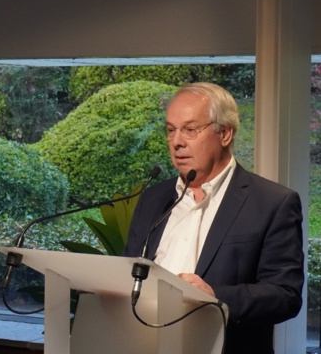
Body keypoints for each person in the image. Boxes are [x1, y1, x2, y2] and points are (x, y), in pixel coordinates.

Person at [123, 82, 304, 353]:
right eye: (171, 130)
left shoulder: (272, 203)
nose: (177, 141)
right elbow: (129, 274)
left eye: (190, 129)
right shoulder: (152, 199)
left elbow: (285, 295)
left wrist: (215, 296)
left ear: (225, 133)